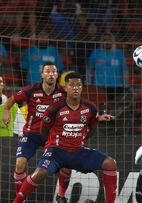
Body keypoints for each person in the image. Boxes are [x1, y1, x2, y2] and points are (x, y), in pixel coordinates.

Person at [12, 72, 117, 203]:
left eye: (79, 85)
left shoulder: (90, 108)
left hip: (78, 151)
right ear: (65, 87)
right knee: (39, 173)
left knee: (110, 163)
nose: (75, 88)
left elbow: (92, 129)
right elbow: (44, 130)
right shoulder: (54, 108)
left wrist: (79, 140)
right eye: (72, 85)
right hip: (56, 151)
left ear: (82, 88)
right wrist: (54, 143)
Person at [2, 62, 70, 203]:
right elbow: (12, 99)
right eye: (47, 71)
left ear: (57, 75)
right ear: (42, 75)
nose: (51, 73)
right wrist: (6, 111)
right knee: (20, 164)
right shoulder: (31, 90)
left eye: (54, 71)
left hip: (51, 136)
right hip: (31, 134)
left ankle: (61, 195)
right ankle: (21, 198)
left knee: (67, 165)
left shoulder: (63, 94)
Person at [87, 33, 128, 100]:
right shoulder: (95, 53)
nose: (107, 42)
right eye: (105, 40)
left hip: (116, 86)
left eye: (109, 40)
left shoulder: (119, 53)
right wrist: (89, 83)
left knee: (114, 107)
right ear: (101, 41)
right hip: (99, 86)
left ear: (113, 41)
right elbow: (89, 69)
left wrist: (126, 84)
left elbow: (124, 70)